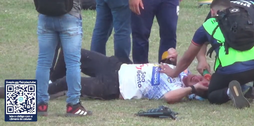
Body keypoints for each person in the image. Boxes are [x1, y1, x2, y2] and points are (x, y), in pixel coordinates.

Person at [160, 0, 254, 109]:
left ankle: (229, 92)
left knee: (212, 94)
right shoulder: (245, 17)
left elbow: (188, 57)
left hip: (230, 70)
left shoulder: (208, 25)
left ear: (212, 12)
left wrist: (174, 72)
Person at [24, 0, 92, 117]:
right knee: (73, 63)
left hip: (45, 16)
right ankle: (73, 105)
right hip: (70, 15)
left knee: (44, 62)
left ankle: (40, 105)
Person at [37, 48, 208, 104]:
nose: (196, 78)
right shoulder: (182, 70)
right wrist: (170, 54)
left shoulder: (179, 90)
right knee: (73, 53)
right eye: (199, 77)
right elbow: (162, 62)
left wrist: (192, 88)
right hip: (116, 67)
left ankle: (36, 94)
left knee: (69, 82)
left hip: (113, 86)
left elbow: (169, 98)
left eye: (199, 83)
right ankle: (50, 81)